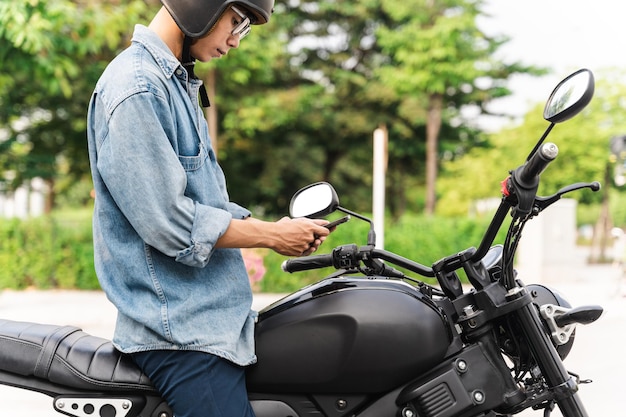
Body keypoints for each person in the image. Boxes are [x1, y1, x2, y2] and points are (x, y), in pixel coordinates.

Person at [86, 1, 331, 416]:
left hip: (211, 322)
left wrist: (277, 227)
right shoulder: (136, 88)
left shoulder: (174, 84)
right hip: (181, 335)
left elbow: (205, 204)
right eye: (236, 21)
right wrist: (272, 236)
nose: (236, 40)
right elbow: (171, 221)